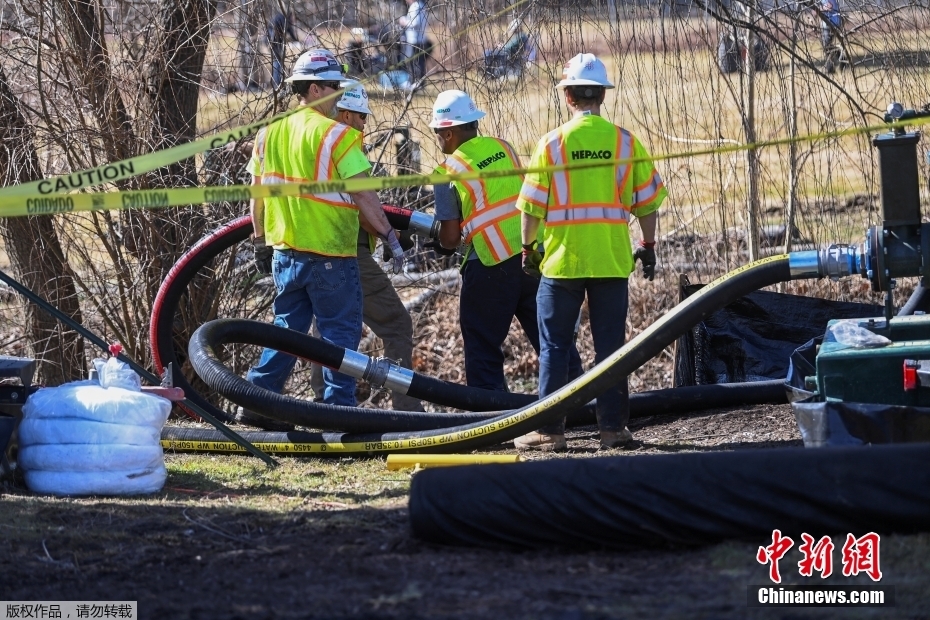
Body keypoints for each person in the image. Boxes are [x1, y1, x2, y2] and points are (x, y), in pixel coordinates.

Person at [239, 50, 408, 430]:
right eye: (334, 88)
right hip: (330, 254)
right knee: (339, 338)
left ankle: (256, 402)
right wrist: (389, 236)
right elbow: (363, 194)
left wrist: (260, 241)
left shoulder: (269, 133)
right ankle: (337, 416)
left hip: (285, 253)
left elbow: (256, 194)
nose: (337, 96)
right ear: (315, 88)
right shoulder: (338, 135)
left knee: (287, 330)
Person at [513, 53, 667, 451]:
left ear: (568, 97)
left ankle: (550, 432)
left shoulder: (552, 144)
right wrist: (647, 247)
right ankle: (613, 430)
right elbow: (648, 203)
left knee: (555, 347)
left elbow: (531, 208)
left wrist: (528, 249)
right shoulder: (624, 141)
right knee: (611, 350)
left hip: (563, 263)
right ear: (601, 95)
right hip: (611, 261)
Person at [308, 82, 424, 412]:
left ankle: (323, 406)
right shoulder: (343, 143)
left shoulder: (315, 142)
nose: (364, 125)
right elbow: (358, 202)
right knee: (396, 324)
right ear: (345, 114)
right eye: (361, 117)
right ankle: (407, 411)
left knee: (329, 331)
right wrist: (391, 235)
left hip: (315, 250)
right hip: (346, 252)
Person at [429, 90, 551, 392]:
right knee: (551, 341)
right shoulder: (503, 147)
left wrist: (440, 244)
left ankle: (491, 419)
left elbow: (450, 237)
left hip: (489, 264)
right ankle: (578, 405)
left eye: (437, 132)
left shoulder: (446, 173)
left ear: (448, 131)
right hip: (531, 257)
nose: (437, 139)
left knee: (482, 347)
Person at [398, 0, 428, 83]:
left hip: (415, 40)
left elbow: (415, 23)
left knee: (414, 62)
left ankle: (415, 82)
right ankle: (417, 82)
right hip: (419, 39)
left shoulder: (416, 6)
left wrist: (404, 21)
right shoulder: (420, 5)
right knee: (418, 62)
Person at [268, 9, 298, 88]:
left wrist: (295, 40)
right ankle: (277, 83)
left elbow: (289, 32)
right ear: (290, 15)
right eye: (294, 18)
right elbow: (274, 31)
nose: (294, 20)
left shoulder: (283, 19)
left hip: (276, 43)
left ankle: (279, 82)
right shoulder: (283, 19)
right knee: (277, 63)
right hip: (275, 43)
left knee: (278, 63)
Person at [814, 0, 843, 73]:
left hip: (832, 24)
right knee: (827, 46)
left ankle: (830, 68)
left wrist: (818, 9)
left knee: (827, 46)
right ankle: (841, 58)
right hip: (825, 24)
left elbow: (830, 6)